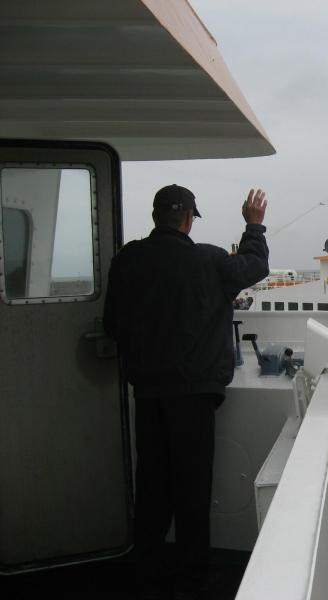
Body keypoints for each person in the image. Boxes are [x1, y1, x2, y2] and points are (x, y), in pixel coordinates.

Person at [103, 184, 269, 599]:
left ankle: (147, 571)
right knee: (192, 489)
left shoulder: (127, 260)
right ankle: (192, 579)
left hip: (148, 393)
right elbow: (254, 266)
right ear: (189, 220)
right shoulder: (209, 260)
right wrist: (253, 226)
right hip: (194, 396)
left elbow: (112, 325)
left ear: (155, 216)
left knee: (152, 485)